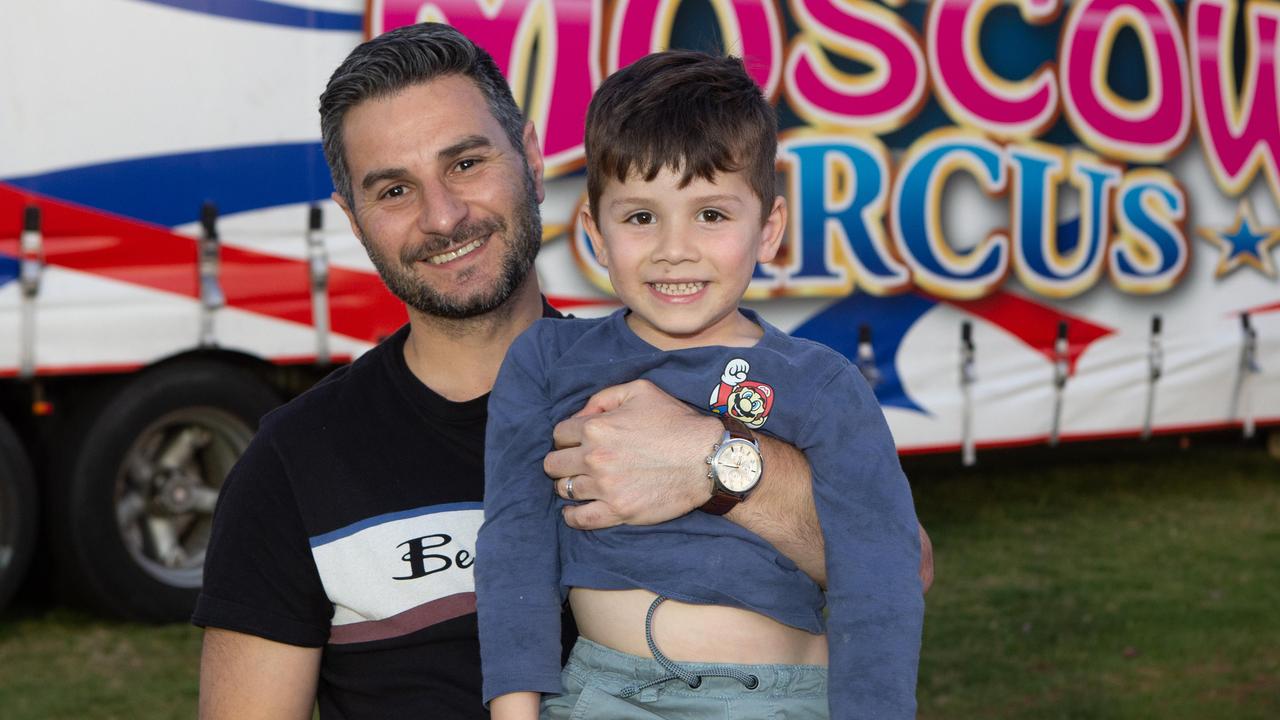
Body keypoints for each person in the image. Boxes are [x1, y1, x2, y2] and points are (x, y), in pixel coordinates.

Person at [193, 23, 933, 720]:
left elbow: (900, 566)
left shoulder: (674, 379)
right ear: (352, 220)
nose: (444, 216)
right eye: (394, 190)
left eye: (466, 162)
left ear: (534, 158)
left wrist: (717, 465)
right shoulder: (292, 464)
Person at [477, 51, 923, 719]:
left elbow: (881, 578)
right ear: (595, 233)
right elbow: (513, 547)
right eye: (640, 217)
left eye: (711, 215)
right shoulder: (546, 361)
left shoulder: (824, 385)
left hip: (777, 701)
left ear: (767, 228)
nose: (674, 248)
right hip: (601, 695)